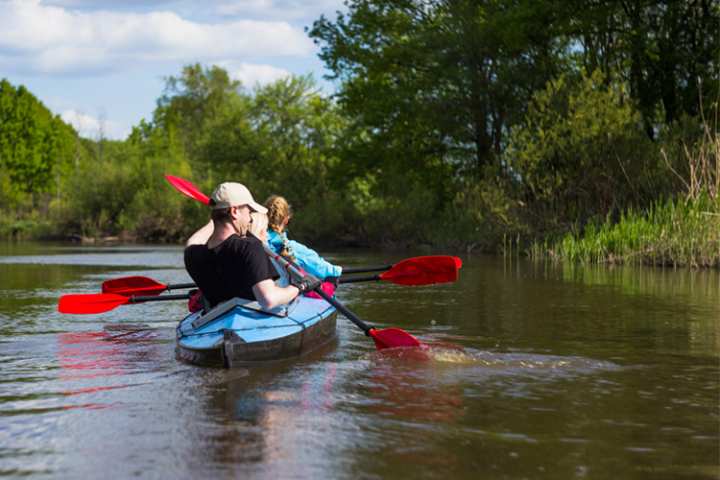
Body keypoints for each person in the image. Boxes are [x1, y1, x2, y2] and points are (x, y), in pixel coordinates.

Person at [184, 182, 318, 310]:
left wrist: (217, 216)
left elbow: (193, 241)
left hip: (213, 321)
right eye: (249, 212)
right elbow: (268, 300)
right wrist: (301, 286)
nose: (250, 219)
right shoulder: (250, 247)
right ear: (235, 211)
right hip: (251, 322)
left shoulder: (192, 254)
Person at [265, 195, 342, 280]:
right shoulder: (292, 248)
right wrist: (338, 270)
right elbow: (325, 270)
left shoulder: (256, 243)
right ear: (286, 219)